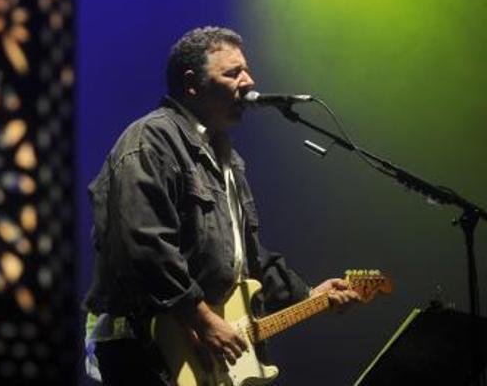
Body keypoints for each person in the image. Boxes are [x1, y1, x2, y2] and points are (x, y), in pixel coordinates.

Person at [82, 26, 360, 385]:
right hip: (146, 348)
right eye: (232, 73)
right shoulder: (151, 139)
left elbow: (247, 257)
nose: (248, 81)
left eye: (246, 70)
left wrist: (308, 295)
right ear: (191, 84)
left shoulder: (228, 158)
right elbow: (143, 244)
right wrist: (200, 317)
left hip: (195, 347)